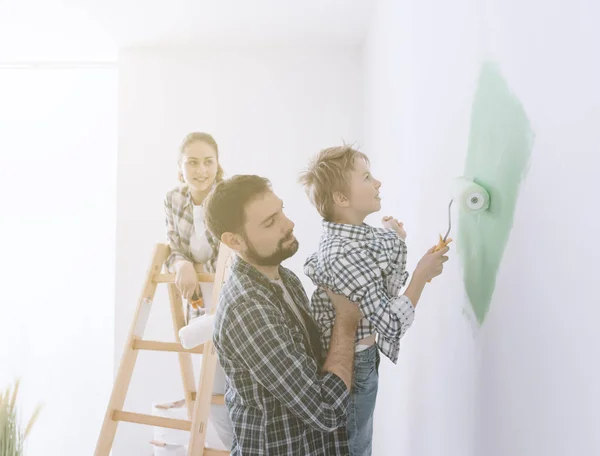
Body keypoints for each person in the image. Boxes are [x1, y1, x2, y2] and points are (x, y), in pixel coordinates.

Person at [299, 145, 450, 456]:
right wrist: (421, 275)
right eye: (367, 177)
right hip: (353, 366)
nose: (377, 183)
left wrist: (393, 237)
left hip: (362, 360)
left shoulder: (353, 237)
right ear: (341, 199)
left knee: (359, 441)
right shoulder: (344, 253)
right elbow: (390, 322)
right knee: (355, 448)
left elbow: (380, 291)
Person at [203, 174, 362, 455]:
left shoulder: (284, 278)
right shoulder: (248, 309)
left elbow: (315, 368)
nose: (289, 224)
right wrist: (346, 323)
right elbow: (324, 411)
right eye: (270, 222)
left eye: (281, 211)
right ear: (234, 241)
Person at [163, 131, 233, 449]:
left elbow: (234, 250)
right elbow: (174, 247)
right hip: (199, 303)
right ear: (181, 167)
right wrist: (182, 265)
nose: (201, 170)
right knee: (210, 390)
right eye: (192, 162)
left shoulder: (230, 196)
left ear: (218, 166)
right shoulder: (173, 199)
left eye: (208, 162)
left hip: (231, 299)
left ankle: (244, 447)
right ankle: (235, 447)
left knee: (231, 387)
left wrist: (204, 270)